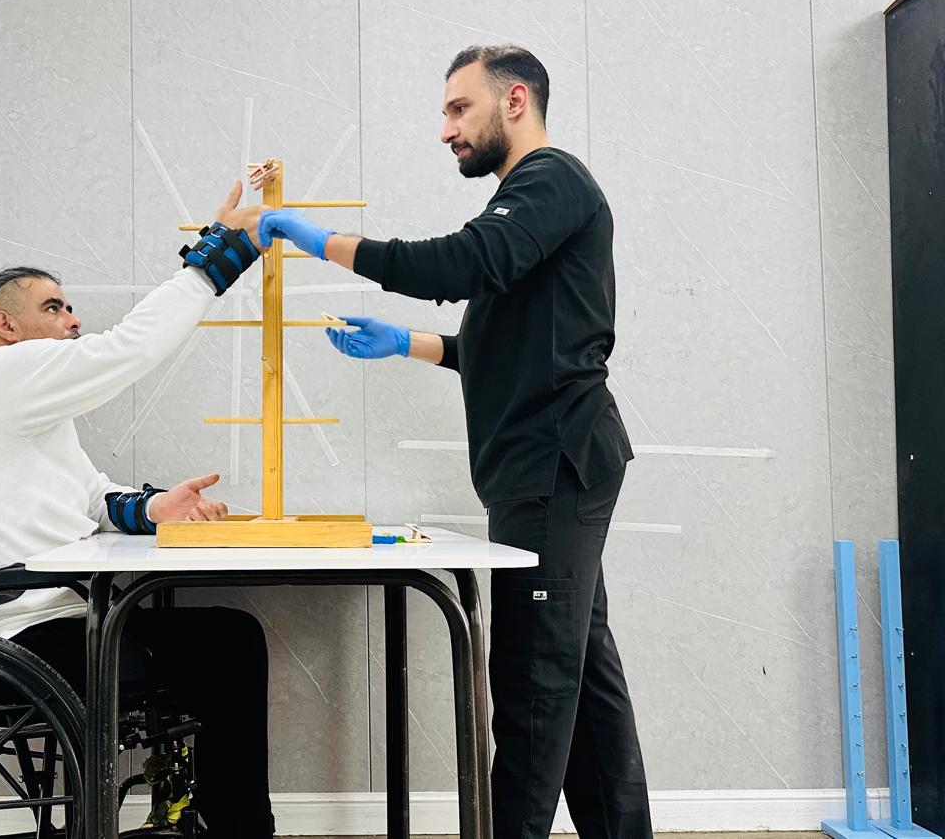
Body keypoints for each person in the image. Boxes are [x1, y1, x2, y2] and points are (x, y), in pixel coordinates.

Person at [257, 45, 651, 838]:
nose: (446, 130)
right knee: (581, 672)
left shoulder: (551, 181)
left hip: (554, 461)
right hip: (539, 467)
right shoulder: (528, 208)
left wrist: (322, 241)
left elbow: (464, 262)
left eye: (457, 109)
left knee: (537, 677)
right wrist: (406, 343)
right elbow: (499, 346)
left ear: (514, 101)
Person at [0, 181, 277, 837]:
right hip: (20, 640)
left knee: (227, 638)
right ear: (6, 325)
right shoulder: (1, 376)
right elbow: (128, 350)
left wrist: (155, 508)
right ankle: (239, 829)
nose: (72, 319)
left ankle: (220, 823)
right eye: (54, 307)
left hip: (39, 626)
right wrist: (221, 254)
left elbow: (89, 497)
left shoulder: (22, 406)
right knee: (229, 644)